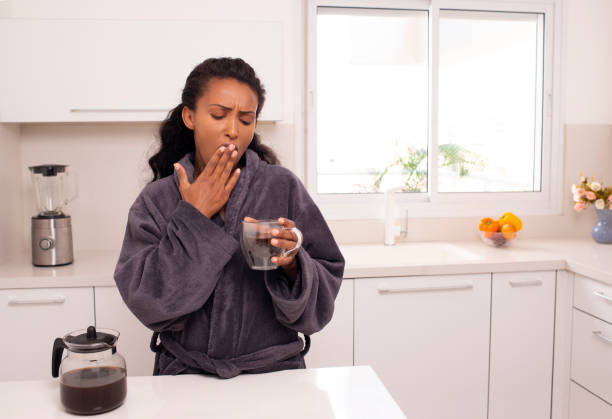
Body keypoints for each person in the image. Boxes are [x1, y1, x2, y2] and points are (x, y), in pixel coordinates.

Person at [113, 57, 345, 378]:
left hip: (275, 375)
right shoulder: (157, 200)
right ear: (190, 116)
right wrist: (193, 217)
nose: (233, 131)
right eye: (218, 115)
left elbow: (322, 298)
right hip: (186, 379)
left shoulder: (282, 187)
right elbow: (148, 305)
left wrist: (293, 263)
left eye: (246, 120)